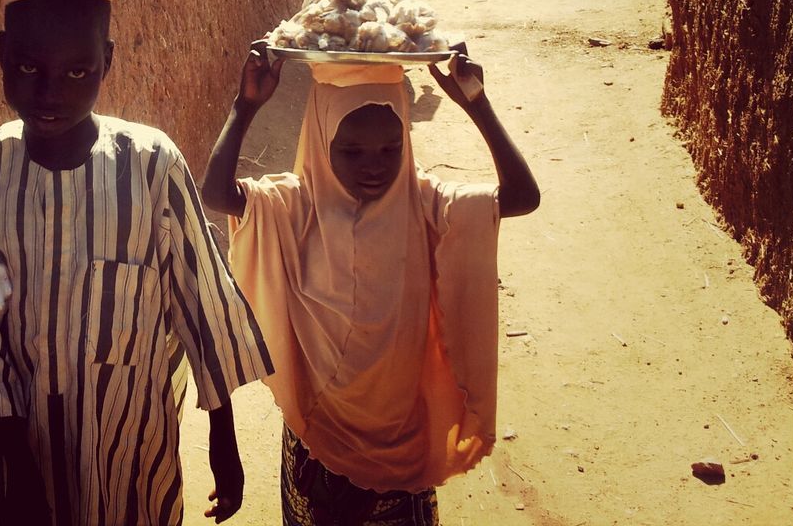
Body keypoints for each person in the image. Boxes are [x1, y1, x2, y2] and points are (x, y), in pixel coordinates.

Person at [0, 0, 273, 525]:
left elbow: (202, 302)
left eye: (78, 71)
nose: (49, 91)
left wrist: (223, 438)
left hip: (127, 454)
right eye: (28, 67)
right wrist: (19, 470)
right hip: (7, 465)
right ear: (2, 54)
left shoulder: (151, 166)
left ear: (109, 59)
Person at [201, 43, 540, 525]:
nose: (374, 165)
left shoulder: (423, 201)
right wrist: (245, 106)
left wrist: (477, 104)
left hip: (399, 434)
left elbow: (523, 197)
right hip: (319, 434)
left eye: (390, 148)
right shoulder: (297, 204)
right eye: (351, 150)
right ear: (321, 140)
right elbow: (217, 192)